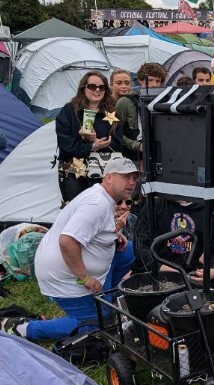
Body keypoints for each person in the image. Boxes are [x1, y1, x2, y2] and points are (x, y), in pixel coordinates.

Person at [11, 159, 138, 341]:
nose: (132, 182)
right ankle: (24, 329)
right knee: (94, 325)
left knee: (130, 252)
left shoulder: (103, 197)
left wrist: (113, 237)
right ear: (109, 178)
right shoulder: (97, 203)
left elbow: (92, 230)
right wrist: (84, 277)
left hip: (75, 265)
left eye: (134, 177)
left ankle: (107, 301)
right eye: (126, 177)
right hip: (65, 276)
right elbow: (67, 240)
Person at [56, 71, 123, 205]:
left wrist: (96, 142)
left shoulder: (111, 113)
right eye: (92, 86)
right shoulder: (70, 110)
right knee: (75, 209)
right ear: (83, 88)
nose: (97, 90)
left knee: (102, 209)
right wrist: (91, 146)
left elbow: (118, 144)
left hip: (103, 169)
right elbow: (65, 144)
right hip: (74, 168)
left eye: (101, 87)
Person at [115, 62, 164, 161]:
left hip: (157, 155)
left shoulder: (165, 102)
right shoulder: (126, 101)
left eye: (158, 81)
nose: (154, 85)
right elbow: (116, 132)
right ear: (140, 80)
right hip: (132, 158)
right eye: (150, 80)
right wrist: (137, 146)